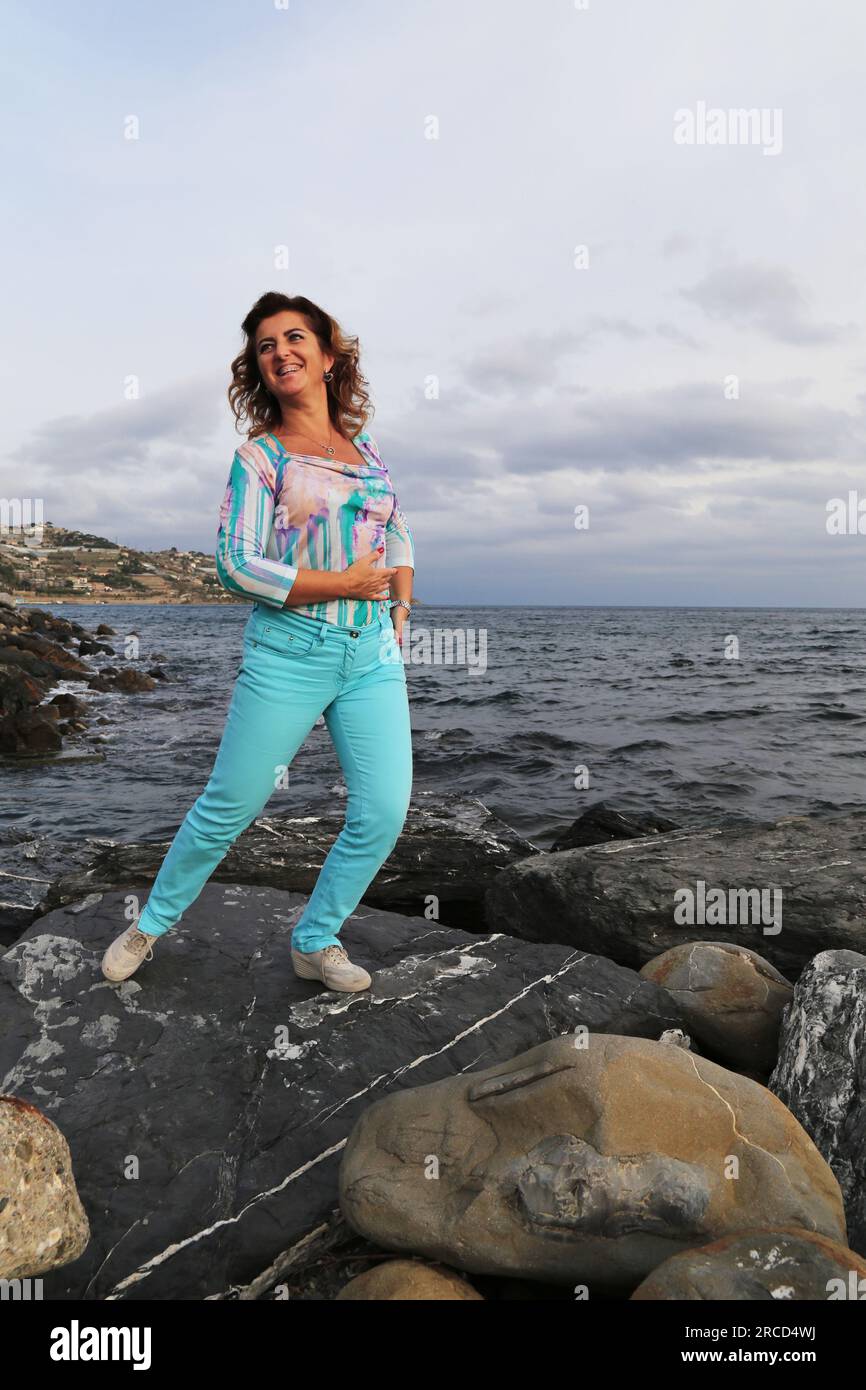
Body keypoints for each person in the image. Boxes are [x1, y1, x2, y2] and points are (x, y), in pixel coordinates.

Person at [101, 292, 415, 993]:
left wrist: (401, 600)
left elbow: (395, 527)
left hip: (371, 658)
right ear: (260, 368)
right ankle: (149, 925)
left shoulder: (365, 451)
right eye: (266, 345)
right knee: (232, 803)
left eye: (295, 336)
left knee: (384, 810)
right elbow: (236, 564)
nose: (280, 351)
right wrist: (339, 580)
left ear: (329, 356)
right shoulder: (260, 457)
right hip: (289, 652)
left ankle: (315, 939)